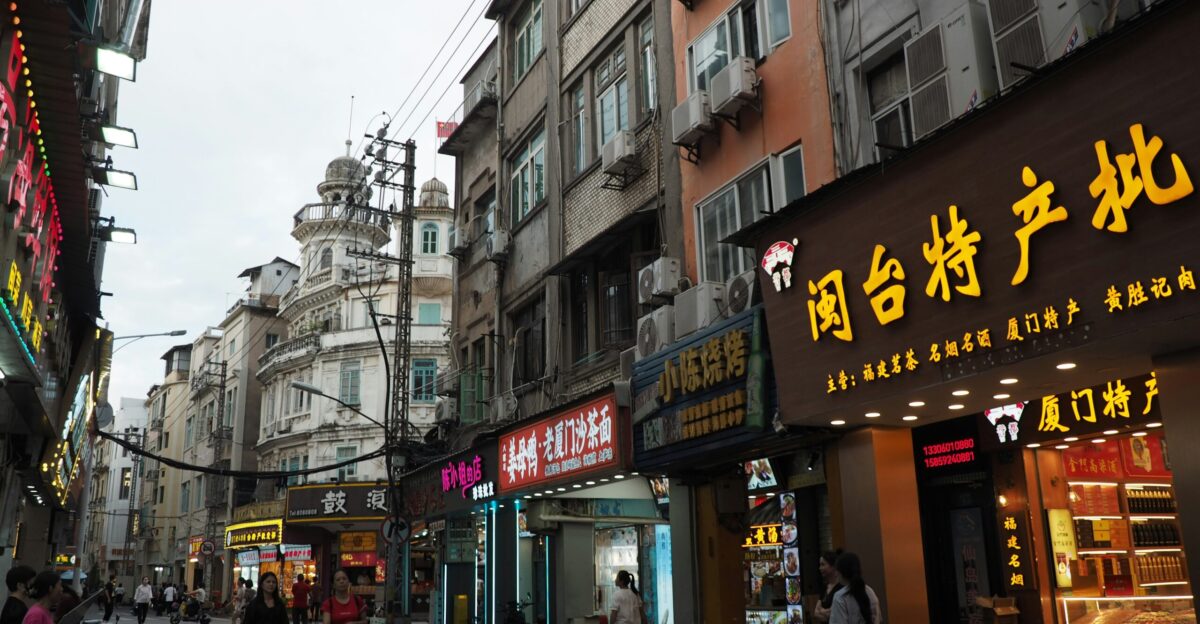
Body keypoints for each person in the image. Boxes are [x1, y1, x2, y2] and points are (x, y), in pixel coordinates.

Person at [829, 552, 881, 624]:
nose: (835, 574)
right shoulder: (870, 592)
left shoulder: (840, 597)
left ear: (842, 572)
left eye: (837, 570)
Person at [811, 550, 845, 624]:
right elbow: (816, 613)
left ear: (833, 566)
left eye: (823, 565)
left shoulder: (841, 589)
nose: (820, 568)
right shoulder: (824, 588)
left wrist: (822, 611)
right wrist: (826, 612)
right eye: (820, 565)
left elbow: (834, 615)